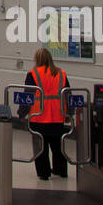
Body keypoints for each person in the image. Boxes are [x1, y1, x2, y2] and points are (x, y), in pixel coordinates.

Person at [24, 47, 70, 180]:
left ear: (37, 59)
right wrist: (69, 114)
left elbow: (28, 96)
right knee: (58, 146)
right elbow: (67, 94)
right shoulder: (61, 74)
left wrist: (22, 113)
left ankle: (44, 173)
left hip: (38, 117)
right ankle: (61, 170)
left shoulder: (33, 74)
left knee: (41, 148)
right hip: (57, 116)